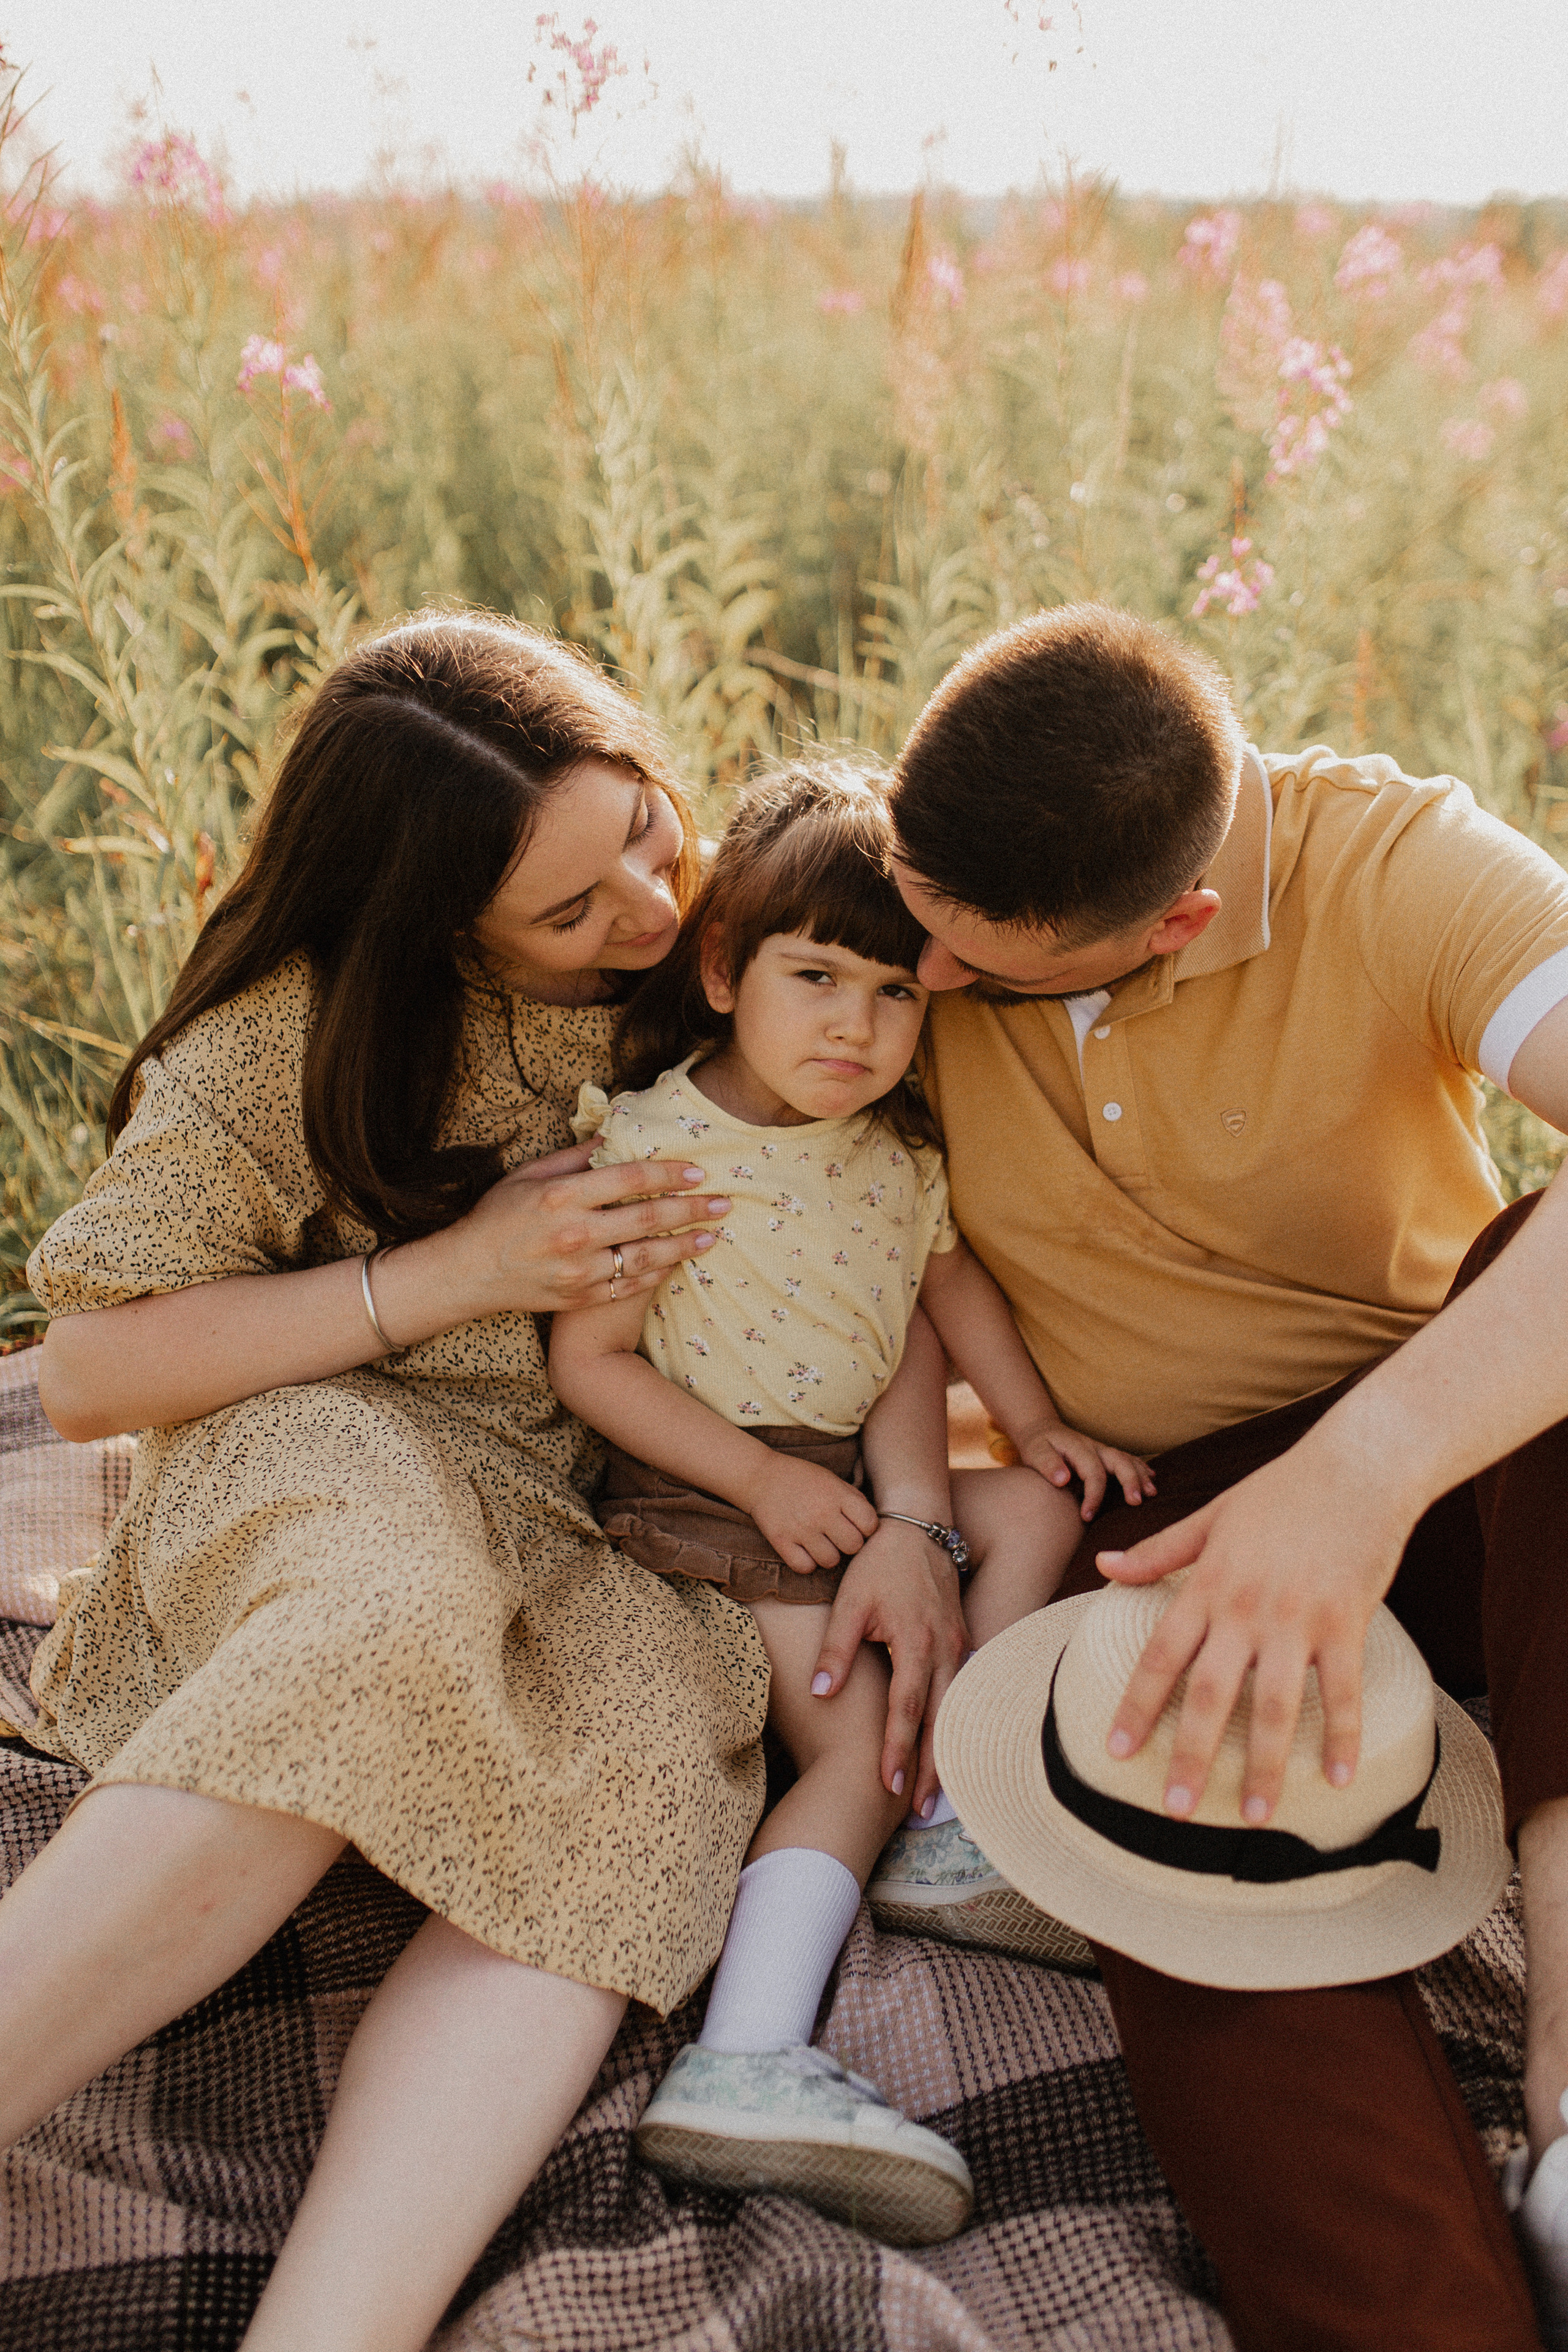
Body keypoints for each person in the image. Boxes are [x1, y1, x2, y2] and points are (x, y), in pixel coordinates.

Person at [4, 614, 965, 2352]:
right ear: (437, 918)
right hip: (335, 1433)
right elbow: (84, 1372)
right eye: (575, 909)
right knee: (381, 1620)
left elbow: (877, 1199)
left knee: (641, 1797)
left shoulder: (715, 975)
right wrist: (450, 1277)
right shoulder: (287, 1046)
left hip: (606, 1523)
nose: (652, 920)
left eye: (652, 841)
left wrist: (916, 1514)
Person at [888, 601, 1568, 2352]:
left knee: (1545, 1305)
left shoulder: (1394, 862)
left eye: (985, 962)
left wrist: (1365, 1475)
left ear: (1179, 916)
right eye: (920, 926)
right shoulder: (896, 901)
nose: (930, 986)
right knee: (1164, 1825)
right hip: (1154, 1518)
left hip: (1453, 1466)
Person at [549, 761, 1152, 2242]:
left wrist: (1023, 1430)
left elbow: (923, 1321)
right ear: (719, 969)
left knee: (1026, 1514)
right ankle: (744, 2057)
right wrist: (759, 1480)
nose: (854, 1026)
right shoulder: (650, 1147)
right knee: (844, 1759)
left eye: (894, 995)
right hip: (710, 1493)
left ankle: (954, 1812)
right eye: (813, 977)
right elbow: (593, 1366)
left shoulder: (889, 1159)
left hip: (844, 1484)